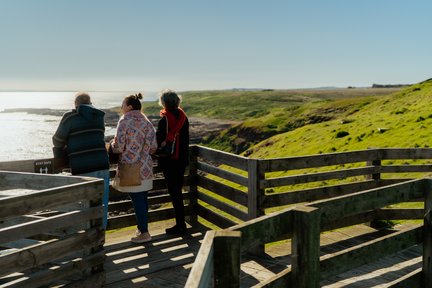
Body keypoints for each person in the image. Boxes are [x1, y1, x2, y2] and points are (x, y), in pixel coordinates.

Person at [52, 92, 110, 229]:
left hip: (82, 167)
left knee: (83, 205)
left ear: (76, 104)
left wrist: (67, 147)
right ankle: (100, 238)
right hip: (102, 164)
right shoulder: (99, 116)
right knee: (102, 204)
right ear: (90, 103)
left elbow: (57, 140)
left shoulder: (70, 117)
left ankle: (86, 241)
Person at [110, 93, 157, 243]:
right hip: (146, 167)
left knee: (137, 200)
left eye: (122, 104)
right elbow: (153, 148)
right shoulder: (146, 121)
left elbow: (118, 147)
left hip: (131, 167)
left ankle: (144, 233)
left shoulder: (124, 121)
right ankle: (142, 229)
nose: (121, 107)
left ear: (129, 106)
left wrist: (111, 144)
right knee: (142, 199)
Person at [156, 89, 189, 235]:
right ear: (177, 101)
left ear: (163, 103)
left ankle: (180, 225)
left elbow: (157, 142)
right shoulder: (184, 117)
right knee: (178, 192)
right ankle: (181, 224)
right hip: (182, 160)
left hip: (169, 162)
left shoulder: (165, 120)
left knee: (174, 193)